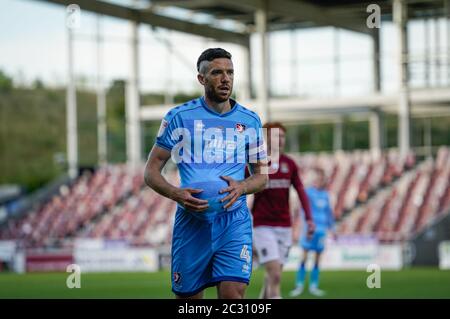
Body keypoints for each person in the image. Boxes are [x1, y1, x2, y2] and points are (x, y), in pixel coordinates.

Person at [144, 48, 268, 299]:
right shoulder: (179, 117)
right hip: (192, 224)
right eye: (217, 73)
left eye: (230, 72)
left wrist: (242, 187)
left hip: (233, 222)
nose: (226, 79)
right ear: (202, 79)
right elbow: (151, 171)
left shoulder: (250, 120)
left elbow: (262, 176)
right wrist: (176, 193)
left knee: (233, 296)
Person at [249, 122, 315, 299]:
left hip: (285, 226)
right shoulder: (256, 163)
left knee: (272, 276)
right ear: (266, 138)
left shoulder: (289, 164)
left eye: (283, 136)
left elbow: (301, 191)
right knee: (275, 275)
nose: (280, 140)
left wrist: (309, 219)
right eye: (276, 136)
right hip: (263, 225)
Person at [289, 167, 337, 297]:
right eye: (319, 179)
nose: (321, 181)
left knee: (317, 259)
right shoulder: (309, 192)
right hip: (309, 230)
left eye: (323, 179)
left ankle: (313, 286)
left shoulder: (326, 195)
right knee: (303, 257)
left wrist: (333, 229)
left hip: (321, 231)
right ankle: (299, 285)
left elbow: (329, 213)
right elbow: (301, 194)